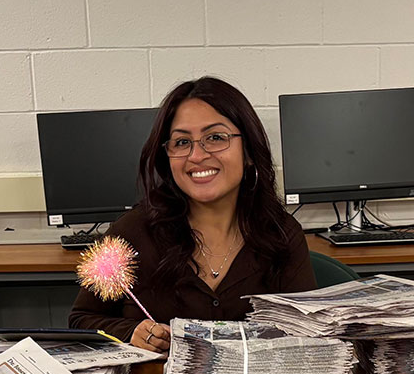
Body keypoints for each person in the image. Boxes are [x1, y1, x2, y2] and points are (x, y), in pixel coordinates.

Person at [68, 77, 316, 351]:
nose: (196, 156)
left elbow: (310, 332)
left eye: (216, 138)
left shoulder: (282, 233)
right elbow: (82, 320)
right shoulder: (130, 233)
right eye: (182, 142)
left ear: (248, 153)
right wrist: (130, 332)